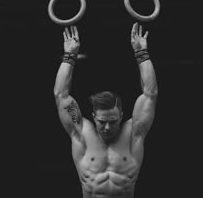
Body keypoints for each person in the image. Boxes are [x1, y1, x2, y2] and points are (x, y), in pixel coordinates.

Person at [54, 23, 158, 198]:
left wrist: (141, 53)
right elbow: (61, 94)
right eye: (102, 122)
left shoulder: (134, 133)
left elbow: (150, 94)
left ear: (122, 116)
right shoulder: (81, 132)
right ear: (93, 117)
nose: (108, 127)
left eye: (113, 121)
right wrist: (69, 55)